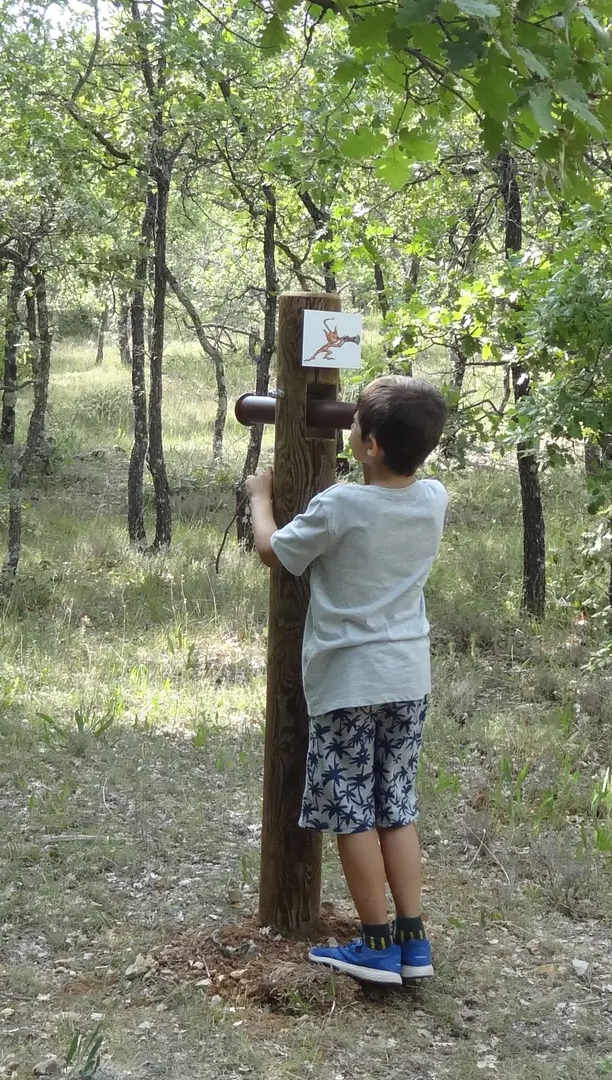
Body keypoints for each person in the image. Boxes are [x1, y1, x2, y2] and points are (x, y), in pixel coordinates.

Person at [243, 374, 449, 987]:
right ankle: (413, 942)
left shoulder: (340, 506)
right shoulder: (434, 497)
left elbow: (274, 551)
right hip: (408, 677)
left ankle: (375, 945)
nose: (349, 428)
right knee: (396, 808)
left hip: (348, 680)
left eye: (356, 423)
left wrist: (260, 495)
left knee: (352, 814)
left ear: (371, 445)